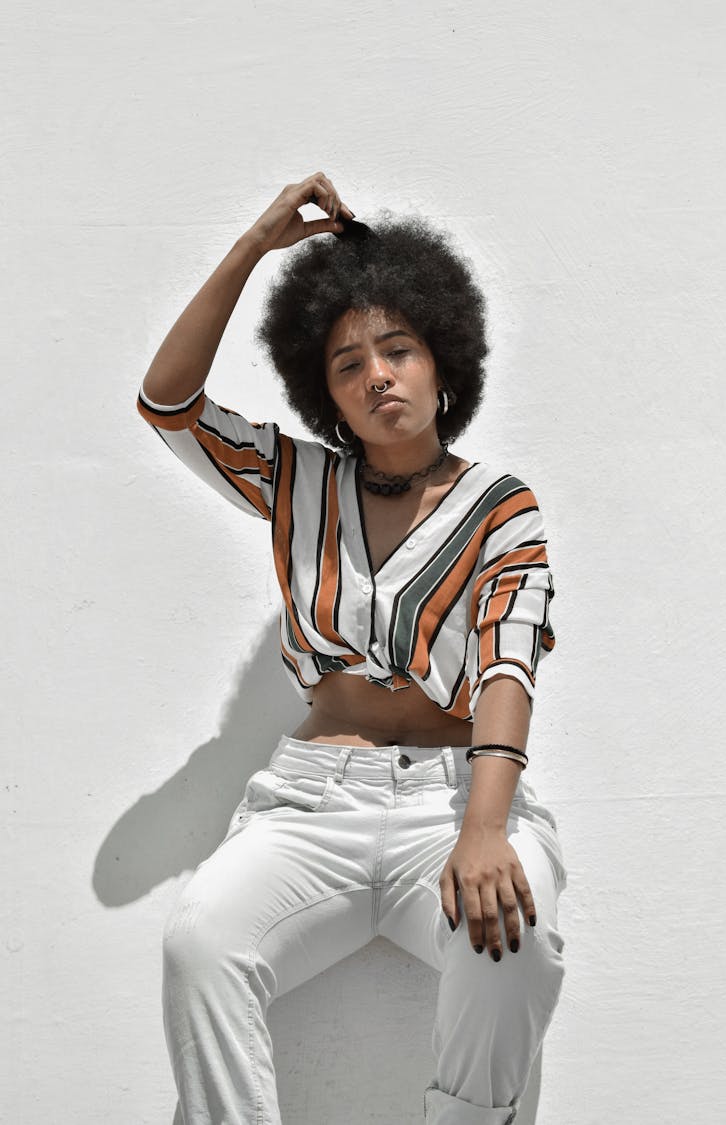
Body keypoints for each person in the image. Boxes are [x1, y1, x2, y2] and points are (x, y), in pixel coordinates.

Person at [137, 172, 568, 1125]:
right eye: (346, 364)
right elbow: (167, 406)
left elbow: (507, 664)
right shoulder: (296, 480)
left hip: (453, 797)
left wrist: (485, 828)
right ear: (322, 390)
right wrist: (254, 242)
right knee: (200, 943)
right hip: (310, 805)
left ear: (440, 363)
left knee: (516, 945)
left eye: (398, 350)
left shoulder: (503, 506)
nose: (377, 374)